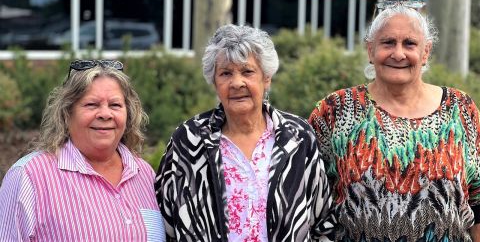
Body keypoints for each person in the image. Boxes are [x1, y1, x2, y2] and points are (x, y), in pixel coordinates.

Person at [308, 0, 480, 241]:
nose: (398, 54)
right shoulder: (336, 110)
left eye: (409, 43)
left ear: (425, 52)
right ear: (370, 49)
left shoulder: (460, 109)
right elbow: (309, 200)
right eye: (388, 42)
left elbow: (478, 202)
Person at [155, 24, 335, 241]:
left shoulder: (298, 137)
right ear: (214, 81)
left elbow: (322, 222)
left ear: (266, 78)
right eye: (225, 73)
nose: (236, 82)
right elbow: (166, 224)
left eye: (247, 71)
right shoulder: (188, 139)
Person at [0, 59, 166, 241]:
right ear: (66, 113)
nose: (105, 114)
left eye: (115, 105)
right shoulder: (29, 177)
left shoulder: (145, 175)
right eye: (92, 105)